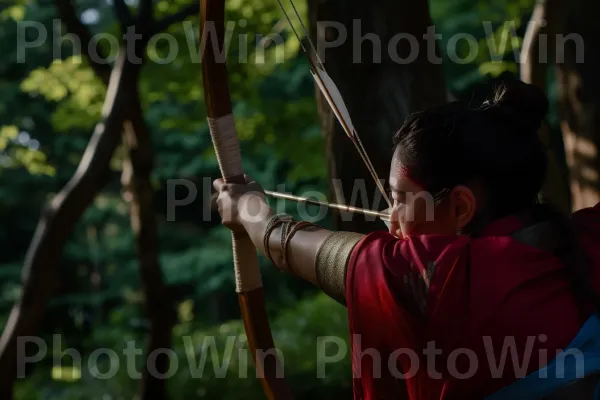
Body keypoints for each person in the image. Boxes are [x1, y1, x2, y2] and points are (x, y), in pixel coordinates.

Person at [212, 81, 600, 400]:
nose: (391, 219)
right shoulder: (587, 238)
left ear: (461, 207)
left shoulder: (443, 278)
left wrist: (248, 212)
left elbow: (291, 247)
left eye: (399, 199)